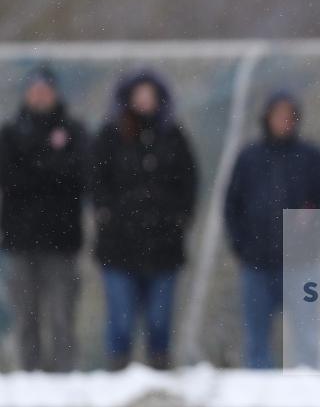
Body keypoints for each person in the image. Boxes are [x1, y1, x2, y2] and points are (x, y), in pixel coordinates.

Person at [91, 70, 197, 370]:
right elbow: (97, 182)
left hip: (164, 247)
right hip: (118, 247)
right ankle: (118, 370)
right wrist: (107, 216)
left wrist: (179, 218)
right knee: (121, 319)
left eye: (149, 95)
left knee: (159, 319)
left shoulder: (173, 137)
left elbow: (188, 182)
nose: (144, 101)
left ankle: (159, 371)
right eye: (139, 95)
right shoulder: (111, 136)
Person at [225, 91, 320, 369]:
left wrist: (312, 242)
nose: (284, 122)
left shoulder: (312, 158)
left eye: (289, 116)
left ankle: (307, 391)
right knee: (257, 337)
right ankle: (260, 396)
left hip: (301, 263)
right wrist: (242, 247)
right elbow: (232, 206)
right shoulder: (249, 158)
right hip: (256, 263)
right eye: (278, 115)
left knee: (306, 334)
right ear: (267, 118)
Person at [0, 65, 88, 371]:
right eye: (34, 90)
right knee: (26, 314)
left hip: (61, 240)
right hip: (20, 239)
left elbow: (76, 175)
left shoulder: (73, 131)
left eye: (45, 89)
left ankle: (64, 376)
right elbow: (11, 177)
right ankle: (29, 373)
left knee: (62, 313)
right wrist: (48, 170)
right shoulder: (9, 134)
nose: (40, 96)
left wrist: (38, 171)